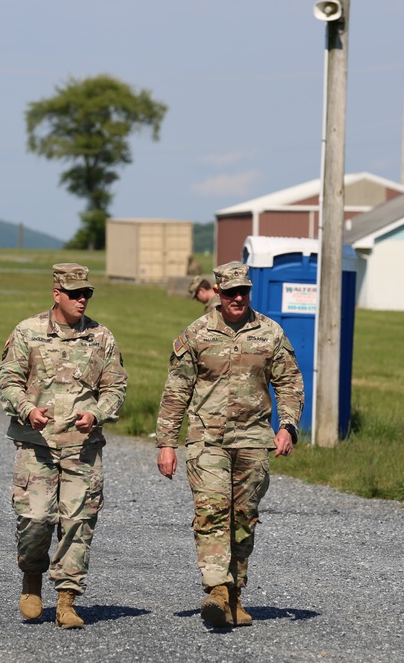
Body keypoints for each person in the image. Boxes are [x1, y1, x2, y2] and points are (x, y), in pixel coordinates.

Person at [156, 261, 304, 628]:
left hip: (254, 440)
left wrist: (287, 426)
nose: (238, 298)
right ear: (218, 294)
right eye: (231, 292)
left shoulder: (269, 333)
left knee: (243, 519)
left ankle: (235, 595)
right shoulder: (196, 334)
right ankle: (217, 591)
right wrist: (166, 443)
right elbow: (177, 391)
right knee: (211, 510)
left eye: (244, 292)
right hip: (207, 439)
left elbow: (289, 383)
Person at [0, 263, 128, 629]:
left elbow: (116, 387)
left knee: (78, 522)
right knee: (36, 518)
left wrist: (98, 413)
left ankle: (67, 600)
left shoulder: (101, 337)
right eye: (74, 294)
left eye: (87, 293)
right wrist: (26, 409)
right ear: (57, 294)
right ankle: (32, 577)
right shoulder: (28, 332)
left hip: (82, 447)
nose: (82, 300)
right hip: (36, 444)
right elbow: (8, 381)